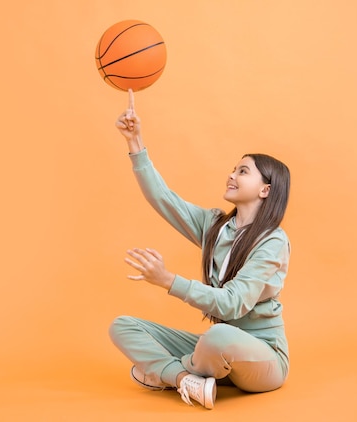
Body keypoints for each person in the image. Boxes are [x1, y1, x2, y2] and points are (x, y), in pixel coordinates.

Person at [109, 89, 291, 410]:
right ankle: (185, 379)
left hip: (262, 358)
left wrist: (169, 281)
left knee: (219, 336)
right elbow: (164, 199)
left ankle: (167, 372)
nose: (231, 175)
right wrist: (134, 142)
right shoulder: (215, 226)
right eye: (233, 169)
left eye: (243, 171)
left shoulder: (273, 241)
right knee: (122, 326)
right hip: (215, 351)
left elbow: (233, 304)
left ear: (265, 190)